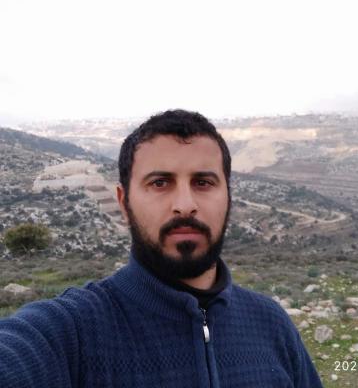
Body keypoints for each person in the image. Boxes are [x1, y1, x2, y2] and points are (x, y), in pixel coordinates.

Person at [0, 109, 323, 387]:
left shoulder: (272, 324)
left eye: (203, 182)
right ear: (124, 203)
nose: (185, 204)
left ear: (229, 196)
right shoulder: (72, 331)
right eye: (159, 183)